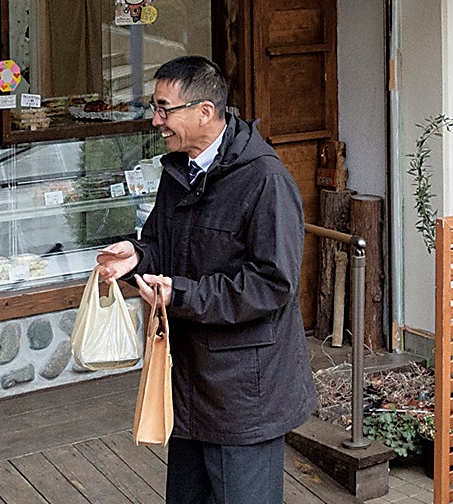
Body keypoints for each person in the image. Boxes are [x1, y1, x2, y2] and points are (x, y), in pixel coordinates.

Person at [97, 56, 316, 504]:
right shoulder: (180, 170)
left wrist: (182, 293)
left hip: (244, 390)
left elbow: (272, 284)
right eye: (154, 108)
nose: (156, 121)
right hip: (187, 379)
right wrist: (136, 256)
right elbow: (163, 244)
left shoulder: (265, 180)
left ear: (205, 112)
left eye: (164, 109)